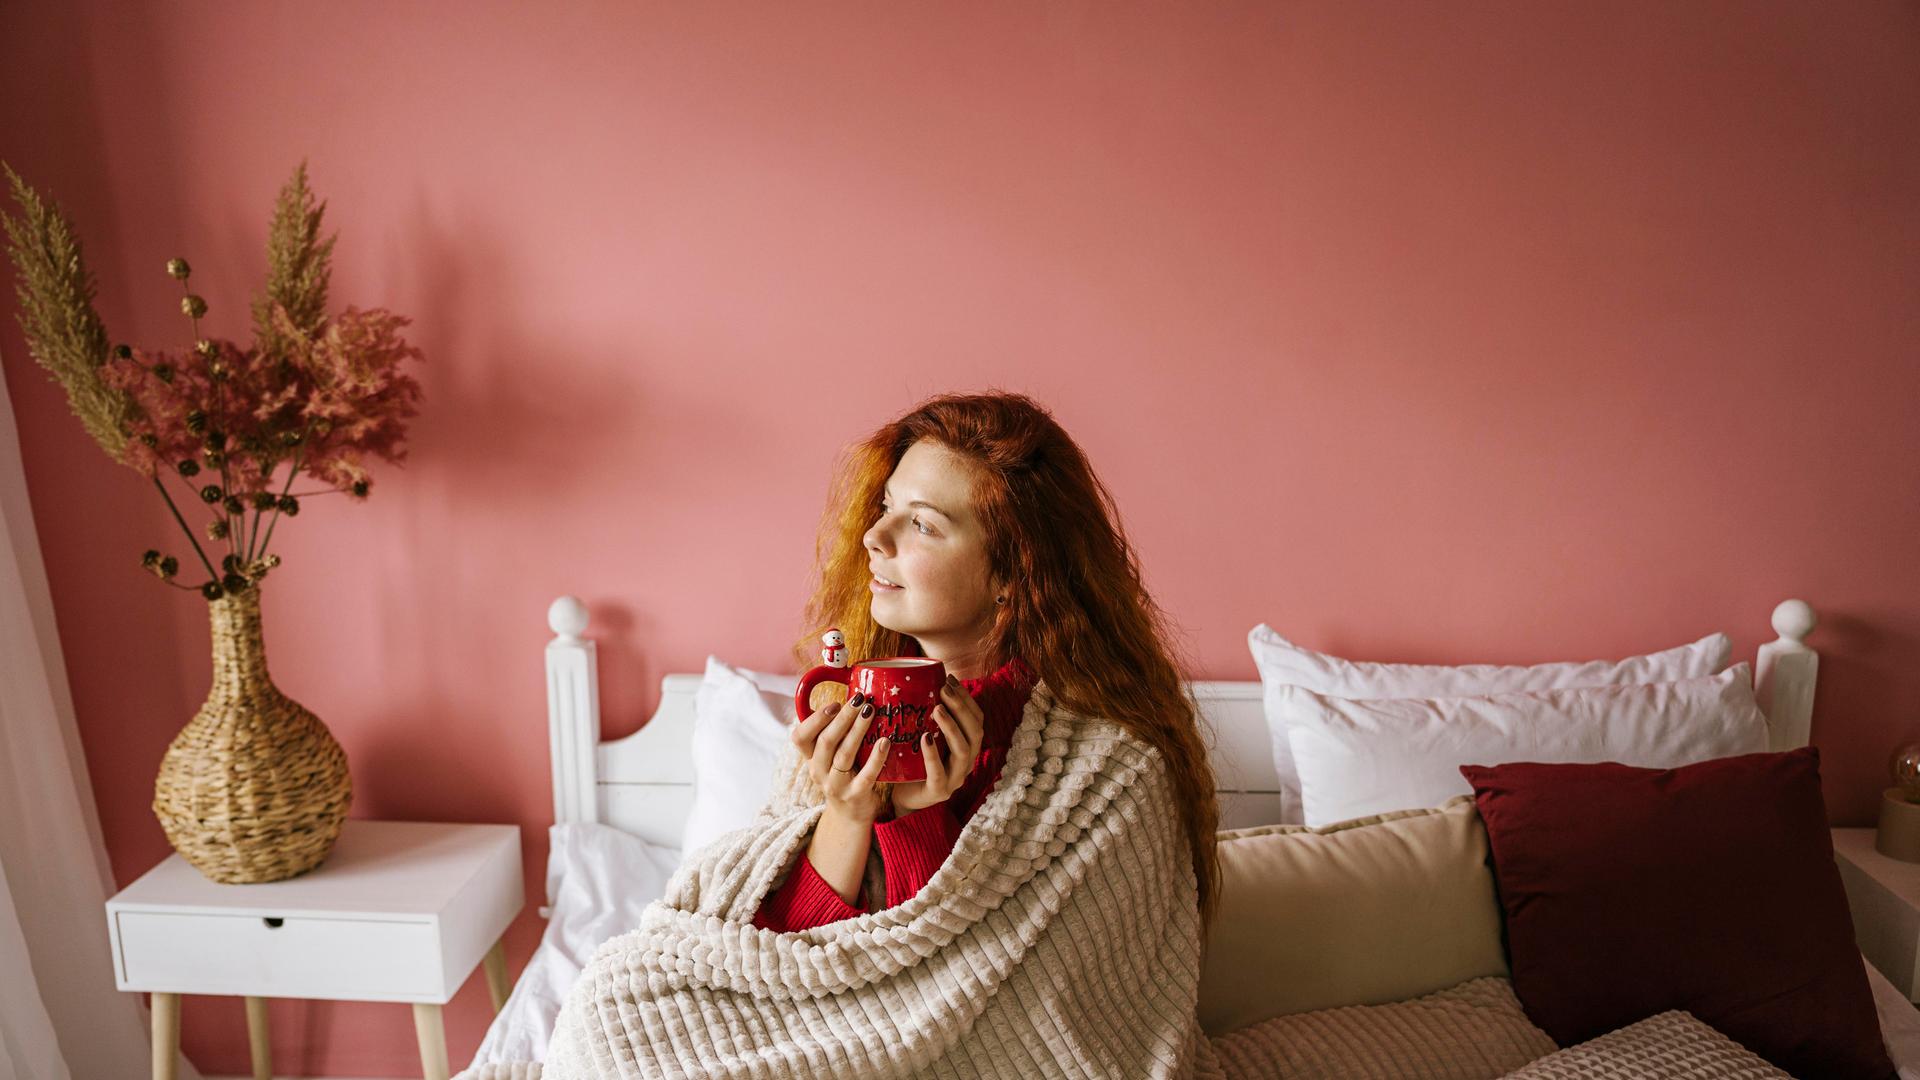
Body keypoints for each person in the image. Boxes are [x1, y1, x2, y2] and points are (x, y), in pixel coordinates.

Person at [752, 390, 1222, 936]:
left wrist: (918, 814)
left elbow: (975, 993)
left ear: (1012, 576)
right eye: (886, 508)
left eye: (923, 524)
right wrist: (847, 811)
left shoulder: (1108, 774)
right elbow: (772, 957)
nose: (873, 537)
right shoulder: (841, 714)